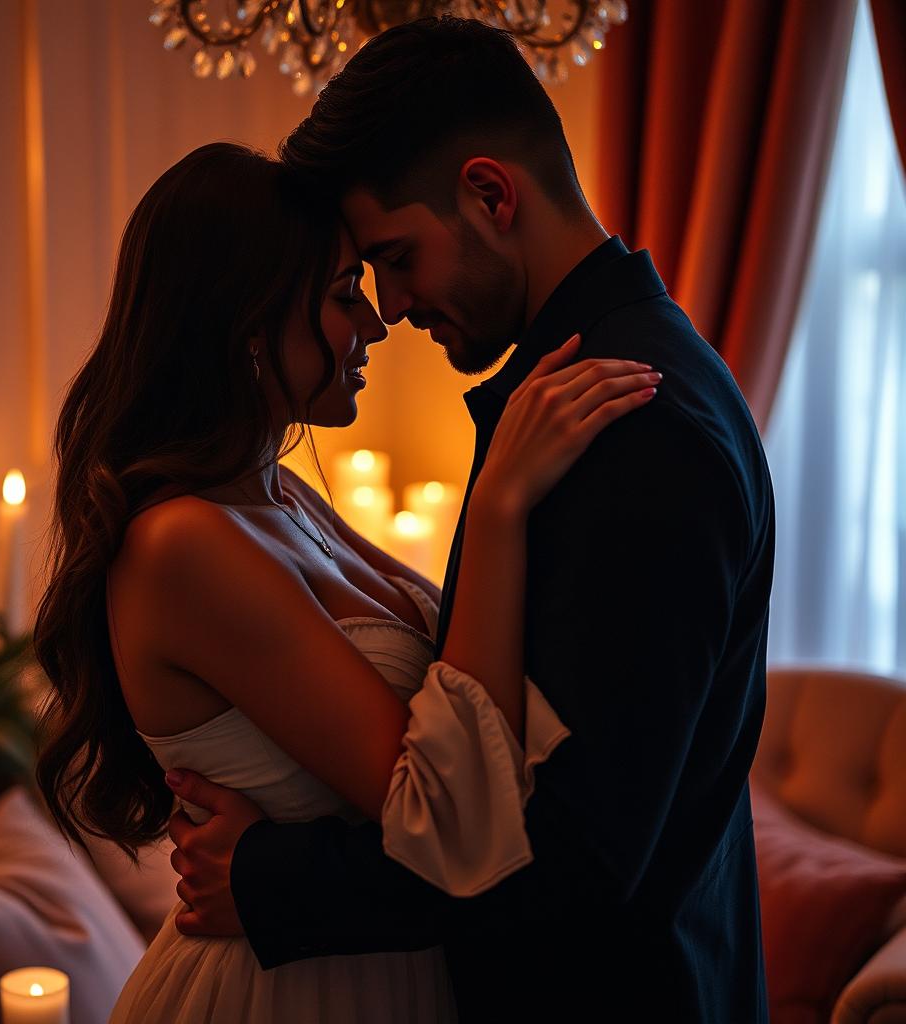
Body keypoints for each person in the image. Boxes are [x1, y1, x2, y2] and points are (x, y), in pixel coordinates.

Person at [165, 16, 776, 1023]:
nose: (391, 309)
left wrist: (273, 879)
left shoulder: (634, 427)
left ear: (490, 195)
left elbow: (569, 861)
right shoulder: (594, 384)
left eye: (397, 258)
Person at [32, 140, 657, 1023]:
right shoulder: (181, 546)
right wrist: (499, 504)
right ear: (245, 325)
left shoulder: (280, 491)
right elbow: (449, 819)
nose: (374, 324)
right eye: (340, 296)